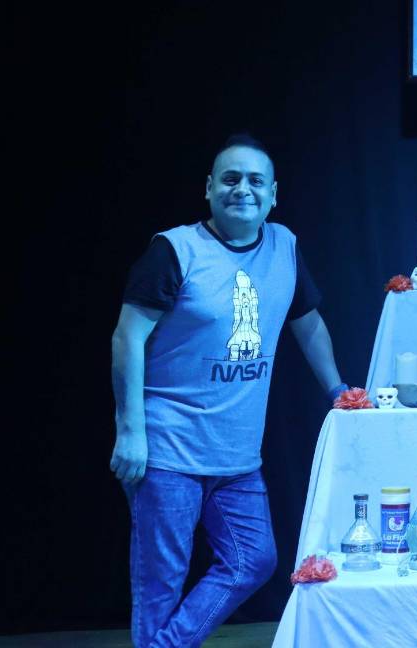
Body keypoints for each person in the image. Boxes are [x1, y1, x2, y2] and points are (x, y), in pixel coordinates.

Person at [110, 134, 348, 647]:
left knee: (253, 560)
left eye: (256, 180)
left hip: (237, 456)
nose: (243, 189)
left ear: (274, 194)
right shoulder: (175, 249)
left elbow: (307, 323)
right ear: (209, 188)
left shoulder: (283, 246)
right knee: (160, 584)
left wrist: (336, 389)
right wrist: (129, 431)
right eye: (230, 178)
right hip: (169, 449)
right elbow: (127, 337)